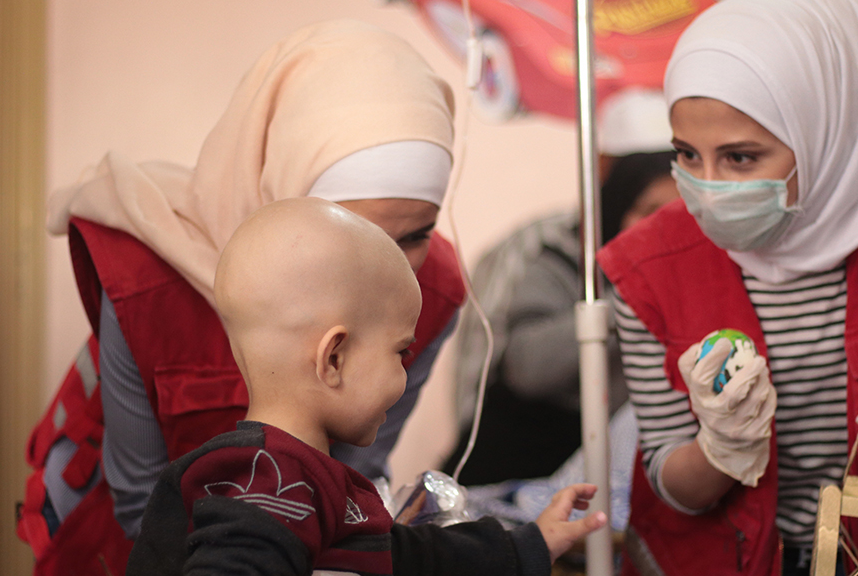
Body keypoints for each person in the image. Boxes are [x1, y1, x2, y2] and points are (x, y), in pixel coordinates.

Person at [18, 20, 466, 576]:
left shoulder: (434, 289)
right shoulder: (142, 273)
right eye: (357, 230)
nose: (394, 266)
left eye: (417, 235)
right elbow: (140, 502)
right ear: (287, 194)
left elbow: (353, 474)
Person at [596, 0, 858, 576]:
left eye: (740, 157)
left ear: (830, 136)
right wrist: (720, 450)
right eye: (685, 154)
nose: (707, 187)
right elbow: (670, 477)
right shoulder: (645, 266)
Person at [126, 197, 606, 576]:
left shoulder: (306, 478)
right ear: (334, 358)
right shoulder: (265, 482)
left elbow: (409, 556)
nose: (405, 375)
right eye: (400, 352)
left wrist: (528, 544)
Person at [443, 131, 678, 485]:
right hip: (524, 459)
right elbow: (525, 367)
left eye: (679, 215)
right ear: (617, 206)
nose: (664, 230)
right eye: (650, 212)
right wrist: (628, 303)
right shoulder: (558, 258)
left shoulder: (694, 280)